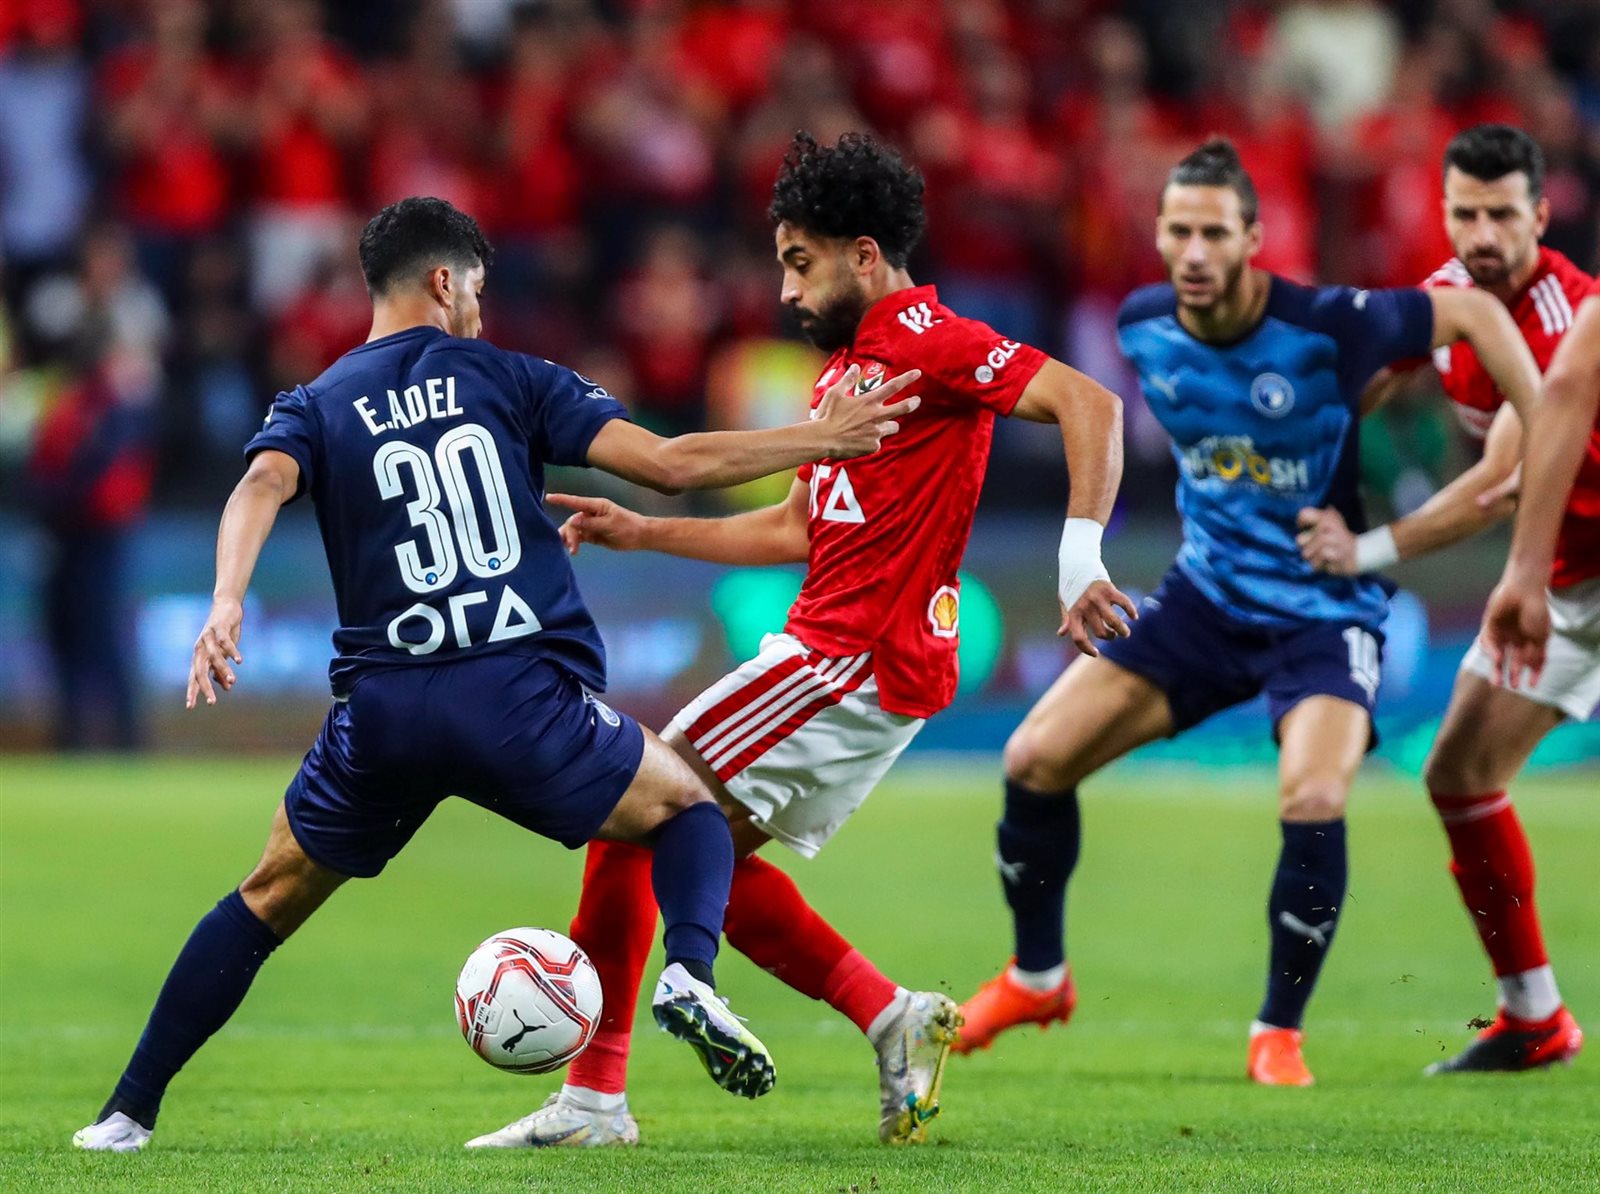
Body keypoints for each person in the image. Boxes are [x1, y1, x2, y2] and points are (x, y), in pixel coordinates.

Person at [71, 196, 920, 1153]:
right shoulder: (512, 376)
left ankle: (125, 1114)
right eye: (476, 287)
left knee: (265, 897)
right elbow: (668, 464)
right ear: (445, 281)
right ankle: (690, 971)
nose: (480, 307)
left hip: (384, 713)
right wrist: (822, 437)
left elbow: (261, 483)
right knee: (686, 807)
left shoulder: (316, 401)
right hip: (516, 699)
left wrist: (227, 598)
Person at [466, 131, 1132, 1150]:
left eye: (799, 262)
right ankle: (889, 1015)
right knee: (694, 856)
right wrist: (645, 531)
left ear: (864, 255)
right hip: (849, 658)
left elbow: (1089, 402)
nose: (785, 292)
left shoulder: (933, 341)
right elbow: (793, 529)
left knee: (632, 811)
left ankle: (597, 1099)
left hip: (848, 658)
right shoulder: (846, 381)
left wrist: (1080, 557)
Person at [953, 139, 1542, 1087]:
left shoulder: (1326, 322)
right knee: (1032, 760)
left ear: (1253, 240)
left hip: (1325, 612)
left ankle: (1278, 1031)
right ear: (1158, 235)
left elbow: (1471, 309)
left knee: (1313, 797)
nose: (1194, 252)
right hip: (1205, 598)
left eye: (1215, 233)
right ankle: (1037, 978)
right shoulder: (1144, 326)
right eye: (1179, 231)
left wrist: (1543, 416)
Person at [1294, 125, 1591, 1073]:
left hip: (1560, 573)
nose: (1482, 234)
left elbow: (1501, 484)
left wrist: (1366, 550)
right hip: (1566, 580)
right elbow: (1362, 385)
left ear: (1541, 215)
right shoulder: (1448, 296)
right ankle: (1535, 1018)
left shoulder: (1568, 318)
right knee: (1459, 774)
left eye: (1502, 214)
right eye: (1465, 213)